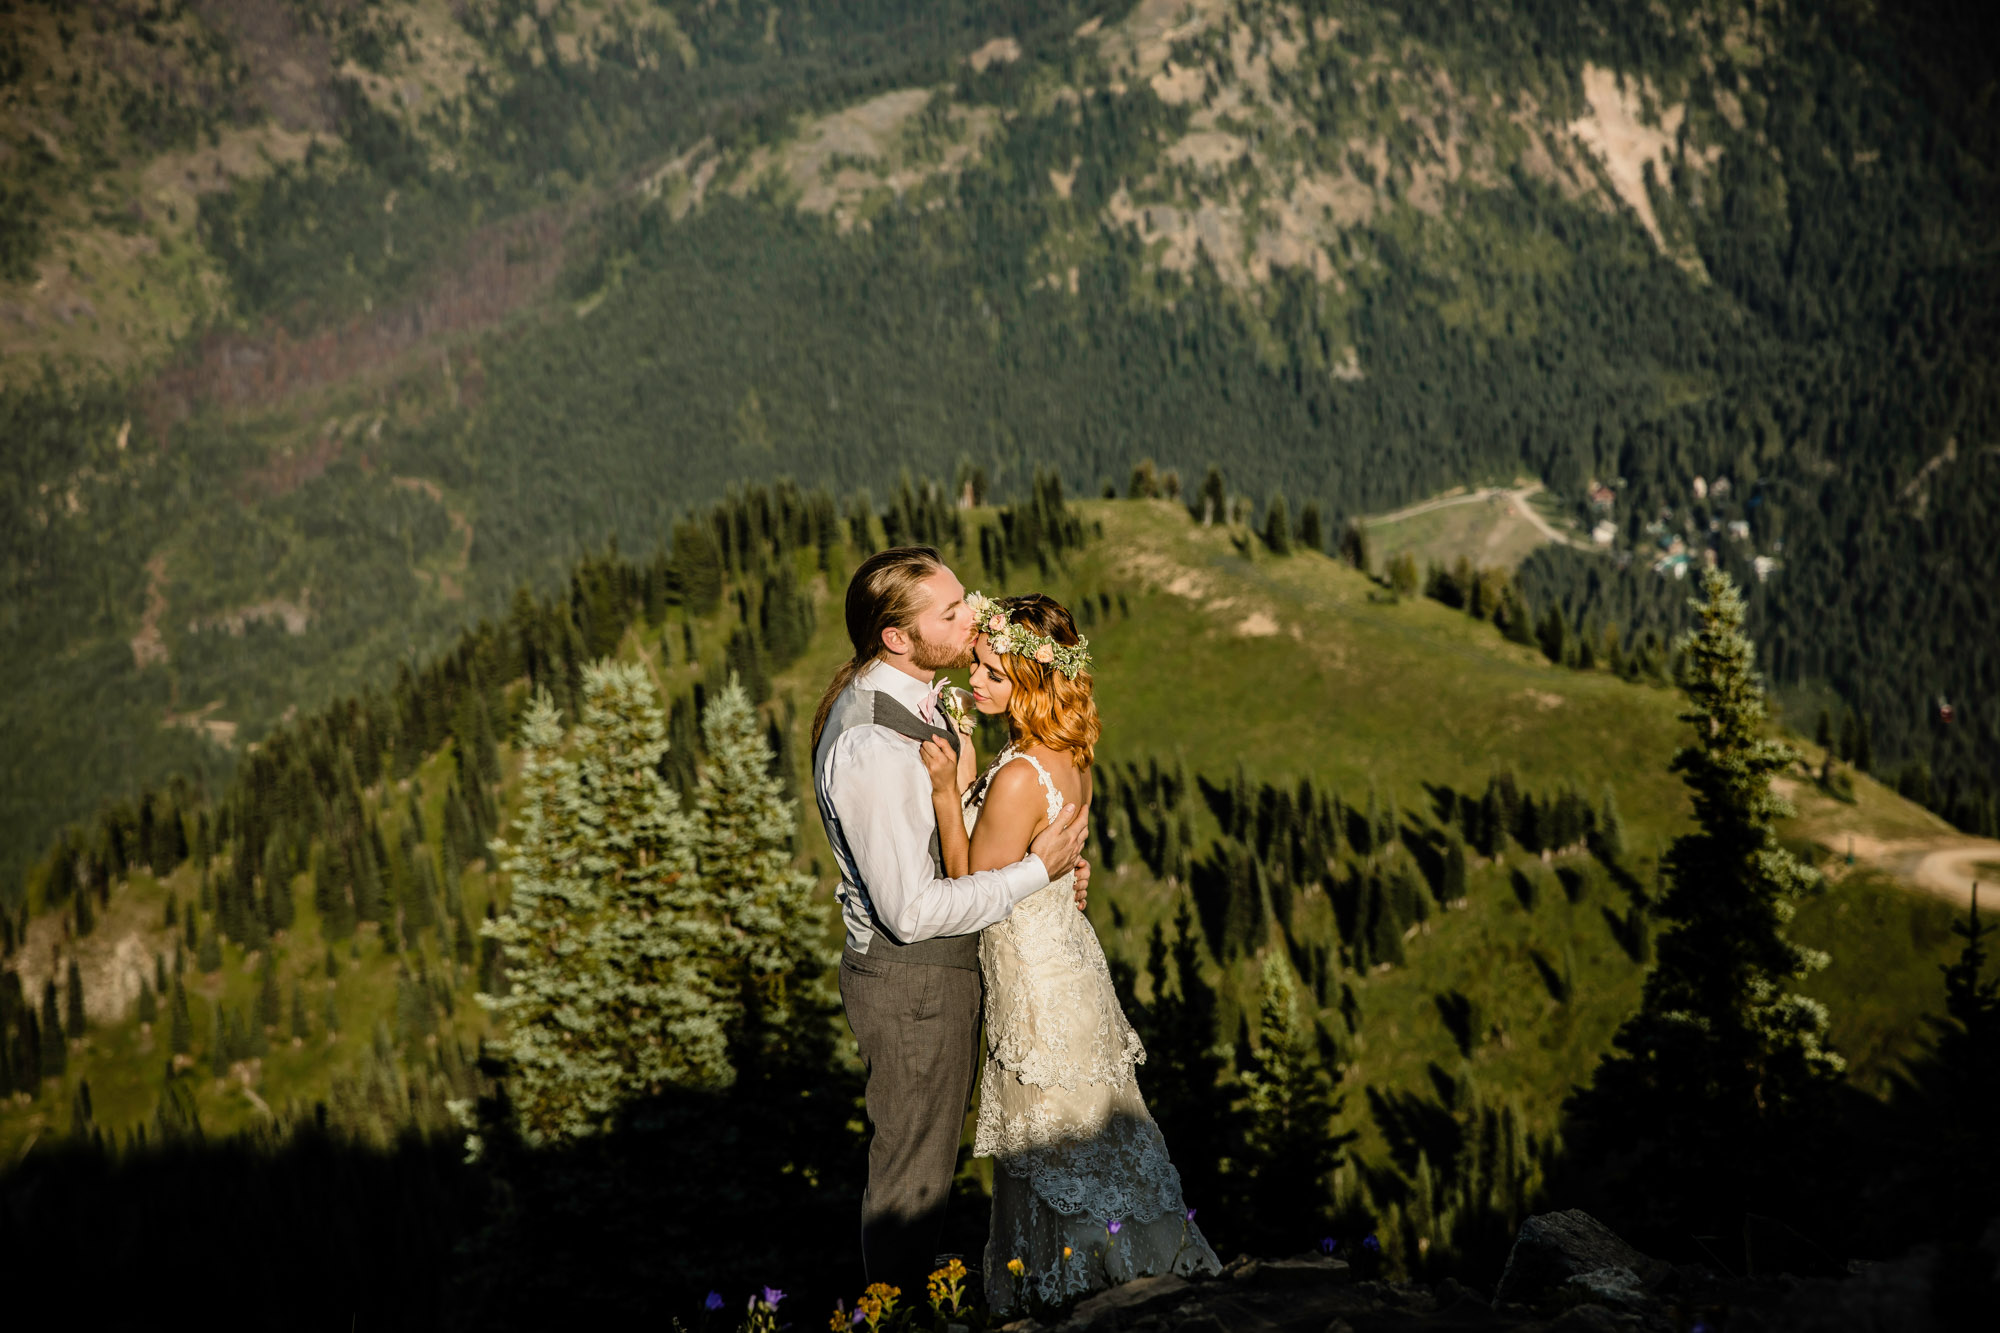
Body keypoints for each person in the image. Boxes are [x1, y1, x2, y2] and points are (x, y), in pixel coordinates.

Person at [917, 591, 1221, 1310]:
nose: (976, 683)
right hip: (1072, 968)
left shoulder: (1020, 775)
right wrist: (971, 781)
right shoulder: (1067, 754)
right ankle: (1141, 1279)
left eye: (992, 672)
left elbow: (967, 887)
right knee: (1096, 1149)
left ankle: (1076, 1297)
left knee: (1054, 1149)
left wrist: (942, 790)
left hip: (1038, 989)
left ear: (1030, 680)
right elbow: (1032, 860)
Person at [811, 547, 1094, 1297]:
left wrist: (1037, 875)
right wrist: (1037, 873)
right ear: (897, 637)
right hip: (914, 987)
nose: (972, 618)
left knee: (927, 1168)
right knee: (913, 1183)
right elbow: (910, 911)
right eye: (951, 613)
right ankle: (896, 1315)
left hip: (942, 977)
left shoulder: (921, 695)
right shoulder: (870, 745)